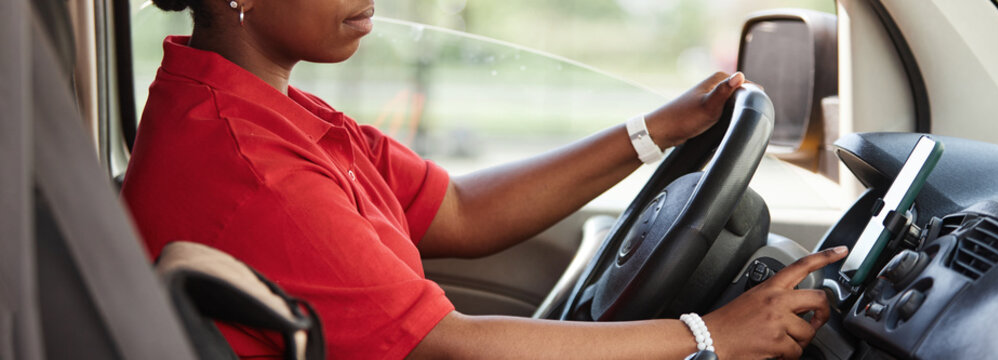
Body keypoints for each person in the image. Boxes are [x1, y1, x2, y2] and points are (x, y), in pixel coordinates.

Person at [121, 0, 849, 358]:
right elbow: (456, 346)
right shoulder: (249, 164)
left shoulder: (267, 109)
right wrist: (709, 332)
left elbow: (461, 213)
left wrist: (652, 132)